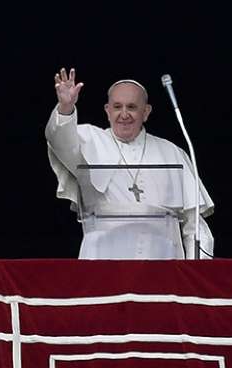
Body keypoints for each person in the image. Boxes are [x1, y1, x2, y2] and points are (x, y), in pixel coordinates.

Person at [45, 68, 214, 259]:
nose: (124, 114)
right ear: (108, 111)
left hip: (163, 265)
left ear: (146, 112)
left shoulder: (172, 152)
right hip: (104, 263)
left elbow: (194, 225)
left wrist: (197, 273)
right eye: (117, 107)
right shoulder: (88, 139)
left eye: (132, 107)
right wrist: (65, 107)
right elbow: (59, 140)